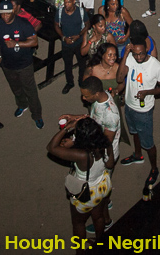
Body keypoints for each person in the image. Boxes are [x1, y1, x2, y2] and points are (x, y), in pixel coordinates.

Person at [64, 76, 121, 234]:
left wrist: (75, 144)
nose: (83, 98)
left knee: (99, 186)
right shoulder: (100, 99)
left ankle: (106, 219)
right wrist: (77, 118)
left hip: (104, 157)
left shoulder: (111, 115)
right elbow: (95, 120)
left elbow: (104, 143)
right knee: (101, 190)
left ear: (96, 94)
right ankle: (104, 205)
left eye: (85, 95)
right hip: (97, 152)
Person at [46, 117, 113, 248]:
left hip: (88, 193)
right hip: (103, 186)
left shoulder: (82, 155)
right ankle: (99, 244)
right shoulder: (105, 144)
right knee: (98, 217)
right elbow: (110, 164)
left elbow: (51, 147)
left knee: (78, 223)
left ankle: (80, 251)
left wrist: (66, 129)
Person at [114, 37, 160, 200]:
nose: (138, 57)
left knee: (148, 142)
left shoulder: (156, 66)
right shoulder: (130, 58)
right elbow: (119, 78)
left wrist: (147, 92)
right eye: (135, 54)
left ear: (147, 51)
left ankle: (154, 168)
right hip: (129, 106)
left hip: (144, 111)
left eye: (141, 54)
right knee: (134, 132)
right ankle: (137, 155)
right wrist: (125, 55)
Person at [0, 0, 43, 129]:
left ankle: (37, 115)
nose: (5, 16)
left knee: (30, 91)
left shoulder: (23, 24)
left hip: (24, 65)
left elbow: (34, 41)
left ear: (13, 11)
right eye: (2, 13)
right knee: (16, 88)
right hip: (7, 65)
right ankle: (22, 105)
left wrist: (16, 43)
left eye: (8, 13)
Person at [55, 0, 88, 95]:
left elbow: (87, 25)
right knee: (67, 64)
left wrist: (79, 35)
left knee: (82, 64)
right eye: (65, 2)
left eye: (69, 2)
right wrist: (63, 37)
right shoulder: (60, 12)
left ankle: (81, 81)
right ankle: (69, 82)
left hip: (79, 43)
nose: (66, 4)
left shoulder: (81, 12)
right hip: (66, 44)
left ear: (74, 1)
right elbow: (56, 25)